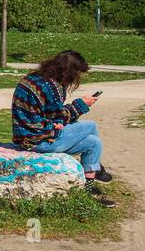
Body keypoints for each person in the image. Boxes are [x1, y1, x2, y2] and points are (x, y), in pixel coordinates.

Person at [12, 50, 115, 204]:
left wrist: (56, 121)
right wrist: (82, 105)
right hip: (40, 140)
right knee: (91, 126)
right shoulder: (52, 88)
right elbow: (60, 116)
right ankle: (95, 172)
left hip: (25, 135)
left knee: (94, 142)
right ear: (70, 73)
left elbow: (49, 114)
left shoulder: (33, 78)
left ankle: (90, 184)